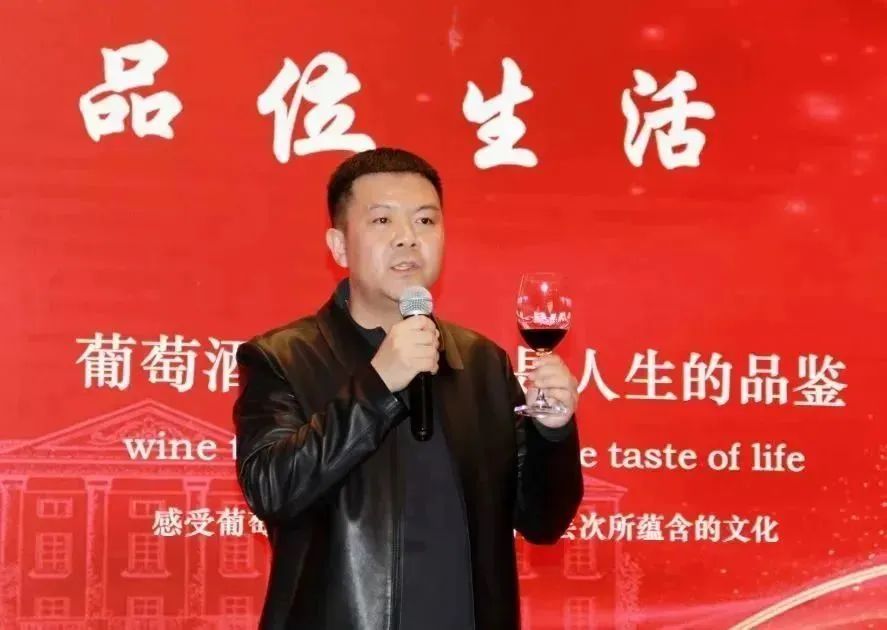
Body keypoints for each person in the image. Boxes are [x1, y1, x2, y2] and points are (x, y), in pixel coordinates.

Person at [233, 147, 583, 629]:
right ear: (339, 246)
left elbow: (544, 521)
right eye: (382, 221)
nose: (408, 238)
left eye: (425, 221)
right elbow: (272, 489)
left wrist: (554, 434)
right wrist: (377, 386)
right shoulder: (283, 357)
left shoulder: (482, 363)